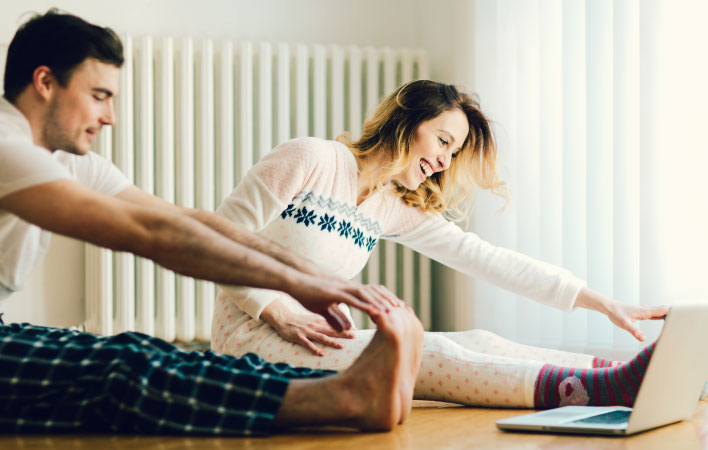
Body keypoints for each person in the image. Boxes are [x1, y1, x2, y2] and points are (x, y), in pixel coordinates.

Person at [0, 10, 424, 434]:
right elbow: (153, 235)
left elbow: (186, 220)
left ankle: (344, 385)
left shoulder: (62, 160)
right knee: (122, 371)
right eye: (98, 95)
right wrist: (297, 285)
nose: (110, 116)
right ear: (45, 82)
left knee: (140, 349)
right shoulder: (7, 146)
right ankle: (347, 397)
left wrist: (312, 274)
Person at [212, 79, 671, 410]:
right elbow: (216, 241)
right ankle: (600, 391)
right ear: (407, 119)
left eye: (453, 153)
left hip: (320, 338)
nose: (444, 161)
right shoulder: (311, 159)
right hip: (250, 338)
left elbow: (486, 259)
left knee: (480, 340)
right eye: (443, 141)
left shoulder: (391, 205)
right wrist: (275, 309)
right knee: (430, 353)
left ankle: (631, 376)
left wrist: (602, 302)